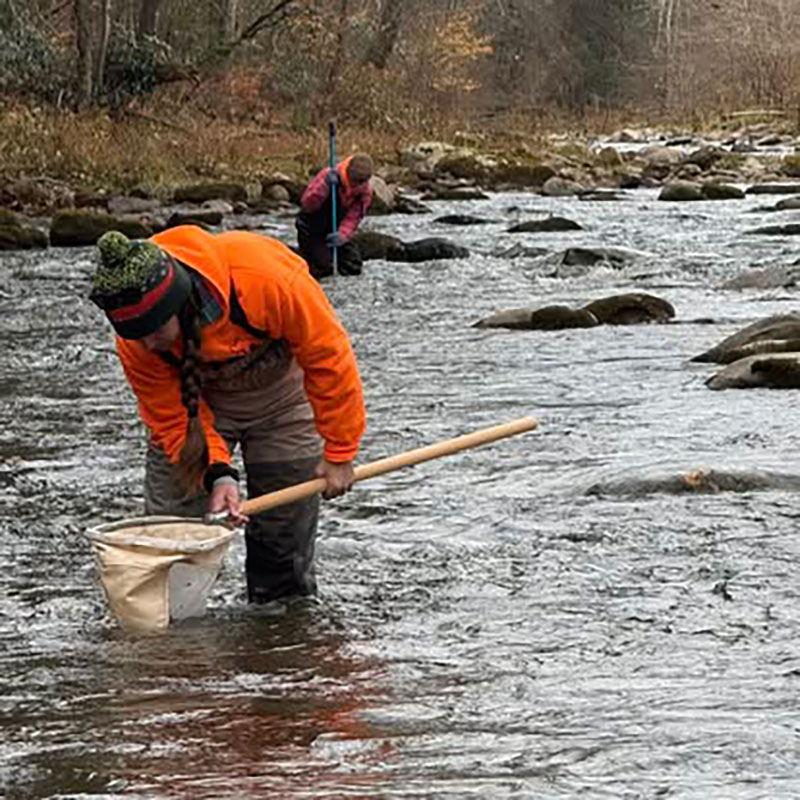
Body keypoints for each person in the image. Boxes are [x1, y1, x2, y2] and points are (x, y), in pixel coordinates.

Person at [88, 225, 366, 605]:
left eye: (153, 331)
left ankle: (281, 643)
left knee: (282, 545)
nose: (148, 343)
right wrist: (218, 473)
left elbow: (328, 359)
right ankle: (175, 644)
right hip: (196, 409)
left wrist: (339, 451)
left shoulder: (267, 278)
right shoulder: (137, 342)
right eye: (134, 335)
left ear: (179, 304)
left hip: (282, 400)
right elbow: (171, 417)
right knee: (173, 532)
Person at [296, 153, 373, 278]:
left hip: (335, 230)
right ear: (348, 173)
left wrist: (342, 235)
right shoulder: (328, 175)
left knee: (353, 265)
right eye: (354, 181)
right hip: (311, 229)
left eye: (360, 183)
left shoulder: (364, 192)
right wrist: (325, 186)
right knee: (326, 267)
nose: (356, 186)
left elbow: (353, 218)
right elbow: (307, 205)